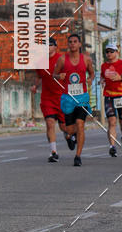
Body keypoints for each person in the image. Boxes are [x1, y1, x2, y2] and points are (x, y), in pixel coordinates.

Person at [53, 33, 95, 166]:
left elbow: (92, 72)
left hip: (82, 98)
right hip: (68, 99)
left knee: (80, 125)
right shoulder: (62, 60)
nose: (72, 44)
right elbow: (54, 74)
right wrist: (59, 76)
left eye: (75, 41)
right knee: (70, 129)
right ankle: (69, 136)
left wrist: (90, 79)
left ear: (79, 44)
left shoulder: (87, 59)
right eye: (70, 42)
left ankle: (78, 156)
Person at [31, 37, 66, 162]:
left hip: (62, 98)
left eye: (50, 45)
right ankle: (53, 152)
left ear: (56, 46)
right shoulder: (40, 62)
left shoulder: (62, 59)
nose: (48, 47)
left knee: (64, 127)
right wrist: (35, 86)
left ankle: (69, 136)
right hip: (47, 98)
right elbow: (39, 76)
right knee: (50, 123)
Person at [100, 41, 122, 157]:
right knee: (111, 121)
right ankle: (112, 146)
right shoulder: (104, 66)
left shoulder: (121, 64)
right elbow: (102, 76)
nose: (108, 54)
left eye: (111, 51)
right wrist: (102, 81)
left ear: (116, 52)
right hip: (109, 96)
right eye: (107, 51)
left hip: (121, 95)